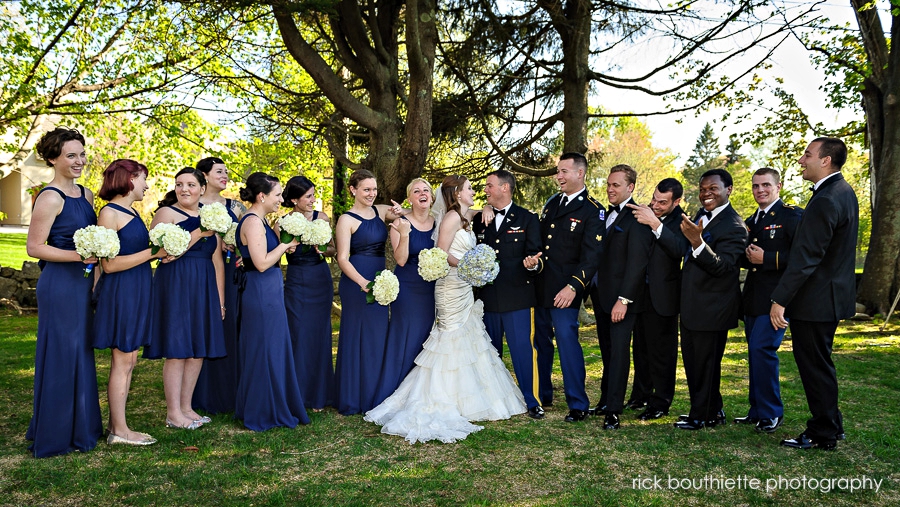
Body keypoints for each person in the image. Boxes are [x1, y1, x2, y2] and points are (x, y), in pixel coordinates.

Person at [365, 175, 526, 443]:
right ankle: (442, 396)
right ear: (457, 193)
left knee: (466, 335)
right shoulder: (450, 218)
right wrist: (467, 267)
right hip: (450, 284)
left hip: (461, 286)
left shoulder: (456, 215)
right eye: (470, 189)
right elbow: (441, 251)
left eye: (426, 190)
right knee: (449, 336)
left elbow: (450, 213)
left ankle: (468, 397)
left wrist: (483, 209)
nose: (475, 192)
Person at [771, 138, 857, 451]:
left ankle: (823, 432)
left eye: (807, 154)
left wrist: (779, 299)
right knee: (820, 363)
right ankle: (832, 423)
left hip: (817, 299)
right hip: (829, 296)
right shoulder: (843, 191)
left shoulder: (826, 198)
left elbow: (807, 256)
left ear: (826, 161)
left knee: (814, 366)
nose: (801, 160)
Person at [25, 127, 103, 457]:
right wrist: (77, 256)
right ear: (53, 158)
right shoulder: (49, 197)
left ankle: (81, 427)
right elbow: (33, 247)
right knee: (61, 352)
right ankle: (55, 433)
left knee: (80, 351)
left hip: (84, 282)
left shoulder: (85, 195)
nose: (79, 161)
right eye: (71, 155)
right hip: (59, 284)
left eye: (82, 154)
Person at [93, 159, 170, 446]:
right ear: (129, 178)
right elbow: (109, 265)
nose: (147, 185)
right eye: (143, 178)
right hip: (122, 292)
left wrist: (161, 253)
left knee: (130, 358)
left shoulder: (131, 212)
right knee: (122, 360)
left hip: (137, 289)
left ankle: (118, 424)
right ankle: (120, 431)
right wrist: (154, 253)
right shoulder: (109, 214)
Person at [144, 167, 226, 430]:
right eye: (179, 184)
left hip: (204, 285)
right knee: (177, 350)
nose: (184, 190)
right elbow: (165, 253)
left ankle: (187, 407)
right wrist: (199, 232)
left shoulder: (210, 215)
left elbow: (217, 261)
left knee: (197, 349)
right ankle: (173, 413)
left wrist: (220, 299)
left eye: (191, 184)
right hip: (176, 283)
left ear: (202, 188)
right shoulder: (166, 214)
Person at [233, 173, 311, 431]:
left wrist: (281, 247)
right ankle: (263, 409)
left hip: (268, 289)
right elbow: (262, 262)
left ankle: (272, 402)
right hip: (260, 290)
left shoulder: (260, 220)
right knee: (264, 349)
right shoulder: (253, 222)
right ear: (261, 196)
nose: (281, 199)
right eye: (277, 194)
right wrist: (286, 244)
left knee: (271, 347)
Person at [531, 152, 603, 422]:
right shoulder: (552, 203)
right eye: (557, 171)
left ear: (580, 173)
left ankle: (577, 403)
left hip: (566, 292)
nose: (558, 176)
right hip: (542, 287)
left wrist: (573, 287)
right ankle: (542, 396)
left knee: (567, 342)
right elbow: (541, 243)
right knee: (540, 343)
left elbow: (592, 255)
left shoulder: (592, 210)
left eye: (563, 171)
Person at [674, 169, 748, 430]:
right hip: (694, 305)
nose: (706, 194)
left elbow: (724, 267)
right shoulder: (701, 216)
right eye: (703, 189)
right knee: (694, 363)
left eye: (713, 188)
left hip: (714, 308)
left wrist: (697, 242)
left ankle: (703, 415)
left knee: (706, 365)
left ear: (729, 190)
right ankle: (710, 410)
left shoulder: (735, 226)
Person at [734, 168, 802, 434]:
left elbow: (802, 257)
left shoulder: (792, 216)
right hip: (753, 298)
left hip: (777, 299)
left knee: (763, 351)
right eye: (755, 186)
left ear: (779, 186)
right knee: (755, 353)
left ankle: (772, 412)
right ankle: (757, 410)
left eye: (765, 185)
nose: (760, 190)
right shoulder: (752, 219)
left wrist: (768, 258)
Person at [472, 169, 544, 419]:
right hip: (488, 298)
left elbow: (537, 255)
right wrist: (483, 207)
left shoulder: (528, 218)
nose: (486, 190)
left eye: (489, 186)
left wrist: (533, 264)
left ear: (505, 188)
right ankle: (494, 400)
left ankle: (532, 400)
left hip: (518, 298)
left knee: (523, 350)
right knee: (490, 352)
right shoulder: (480, 219)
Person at [333, 169, 405, 415]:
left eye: (374, 189)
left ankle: (376, 394)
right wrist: (363, 282)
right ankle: (354, 396)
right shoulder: (346, 219)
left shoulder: (380, 210)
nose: (372, 194)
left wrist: (400, 212)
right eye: (366, 189)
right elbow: (342, 258)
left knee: (378, 335)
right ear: (353, 190)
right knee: (357, 336)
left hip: (380, 278)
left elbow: (409, 214)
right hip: (357, 281)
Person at [589, 164, 654, 430]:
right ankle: (605, 399)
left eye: (616, 185)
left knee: (618, 354)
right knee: (607, 351)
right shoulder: (603, 215)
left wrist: (624, 299)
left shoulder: (637, 218)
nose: (610, 189)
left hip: (623, 301)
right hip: (601, 297)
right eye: (608, 184)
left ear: (630, 187)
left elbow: (637, 264)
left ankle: (614, 411)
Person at [625, 178, 689, 421]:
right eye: (654, 199)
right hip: (640, 294)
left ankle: (661, 401)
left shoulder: (682, 221)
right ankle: (640, 394)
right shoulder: (646, 213)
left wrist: (655, 224)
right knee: (640, 348)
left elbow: (679, 250)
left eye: (663, 202)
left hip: (664, 296)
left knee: (662, 352)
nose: (656, 205)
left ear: (677, 201)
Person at [372, 178, 437, 406]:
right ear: (409, 199)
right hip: (407, 288)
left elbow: (466, 212)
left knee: (426, 338)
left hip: (431, 291)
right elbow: (399, 260)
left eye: (426, 190)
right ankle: (393, 393)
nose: (422, 193)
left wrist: (487, 207)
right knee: (406, 337)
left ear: (432, 196)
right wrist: (406, 232)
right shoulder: (400, 222)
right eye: (416, 191)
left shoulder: (438, 221)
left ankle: (418, 395)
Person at [193, 157, 245, 415]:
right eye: (219, 172)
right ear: (203, 175)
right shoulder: (192, 204)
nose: (225, 176)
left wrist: (239, 249)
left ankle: (230, 391)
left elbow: (252, 234)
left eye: (226, 172)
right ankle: (201, 393)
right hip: (202, 271)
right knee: (203, 326)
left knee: (229, 326)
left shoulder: (235, 206)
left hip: (230, 272)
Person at [283, 175, 335, 411]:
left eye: (314, 195)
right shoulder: (282, 223)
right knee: (298, 334)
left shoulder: (321, 218)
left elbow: (334, 249)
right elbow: (276, 253)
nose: (313, 200)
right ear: (294, 199)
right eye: (308, 196)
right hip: (296, 280)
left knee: (320, 334)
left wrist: (323, 248)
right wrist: (290, 245)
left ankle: (320, 395)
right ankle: (298, 394)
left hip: (319, 278)